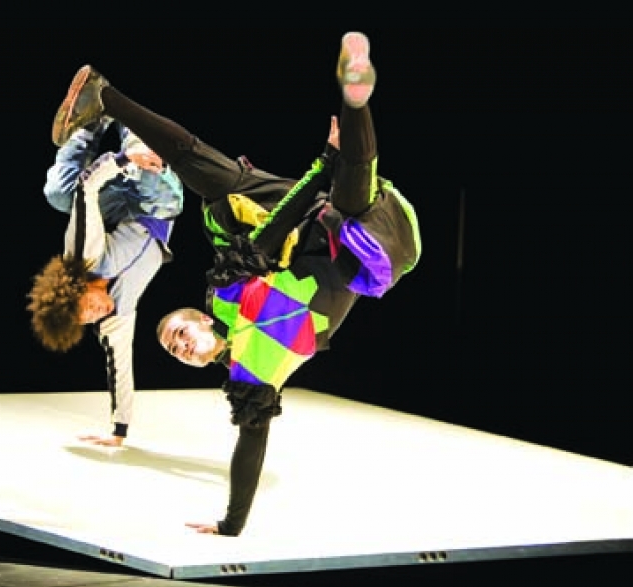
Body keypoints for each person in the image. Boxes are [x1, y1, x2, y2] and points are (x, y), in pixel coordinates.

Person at [50, 31, 421, 535]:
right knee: (356, 198)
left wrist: (322, 167)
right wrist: (231, 523)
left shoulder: (226, 295)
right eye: (175, 349)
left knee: (215, 179)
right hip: (361, 246)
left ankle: (105, 97)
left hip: (291, 221)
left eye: (178, 334)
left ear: (202, 319)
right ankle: (356, 99)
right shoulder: (251, 379)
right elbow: (251, 444)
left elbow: (268, 237)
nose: (180, 345)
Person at [28, 117, 185, 447]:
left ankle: (90, 126)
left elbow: (86, 190)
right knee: (149, 170)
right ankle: (128, 122)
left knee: (58, 193)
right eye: (89, 320)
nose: (96, 314)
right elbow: (120, 369)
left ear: (77, 288)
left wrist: (123, 160)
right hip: (158, 206)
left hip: (120, 201)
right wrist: (119, 431)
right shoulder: (115, 319)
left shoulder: (83, 257)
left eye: (87, 308)